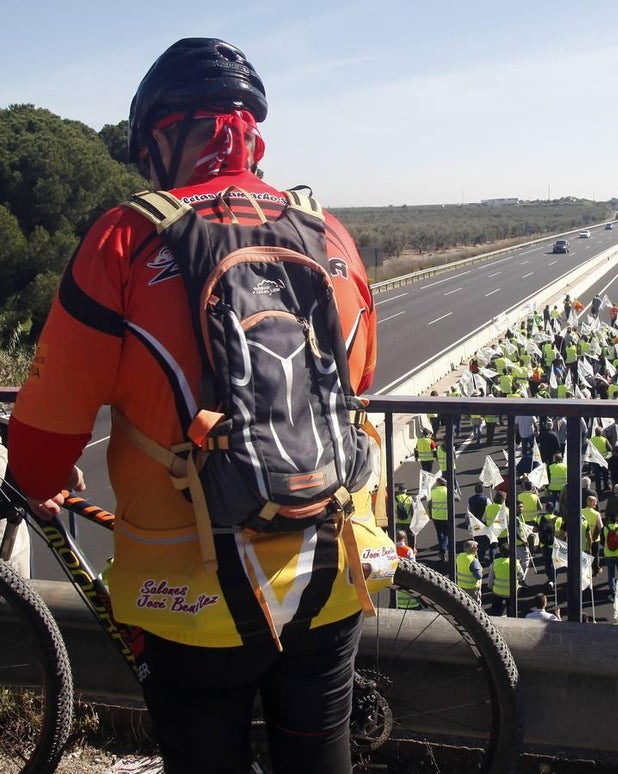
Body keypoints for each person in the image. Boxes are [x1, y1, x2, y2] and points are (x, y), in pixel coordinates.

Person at [6, 38, 381, 773]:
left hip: (192, 597)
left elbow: (43, 451)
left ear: (167, 138)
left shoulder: (123, 238)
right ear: (251, 136)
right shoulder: (327, 231)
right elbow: (359, 379)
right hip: (332, 569)